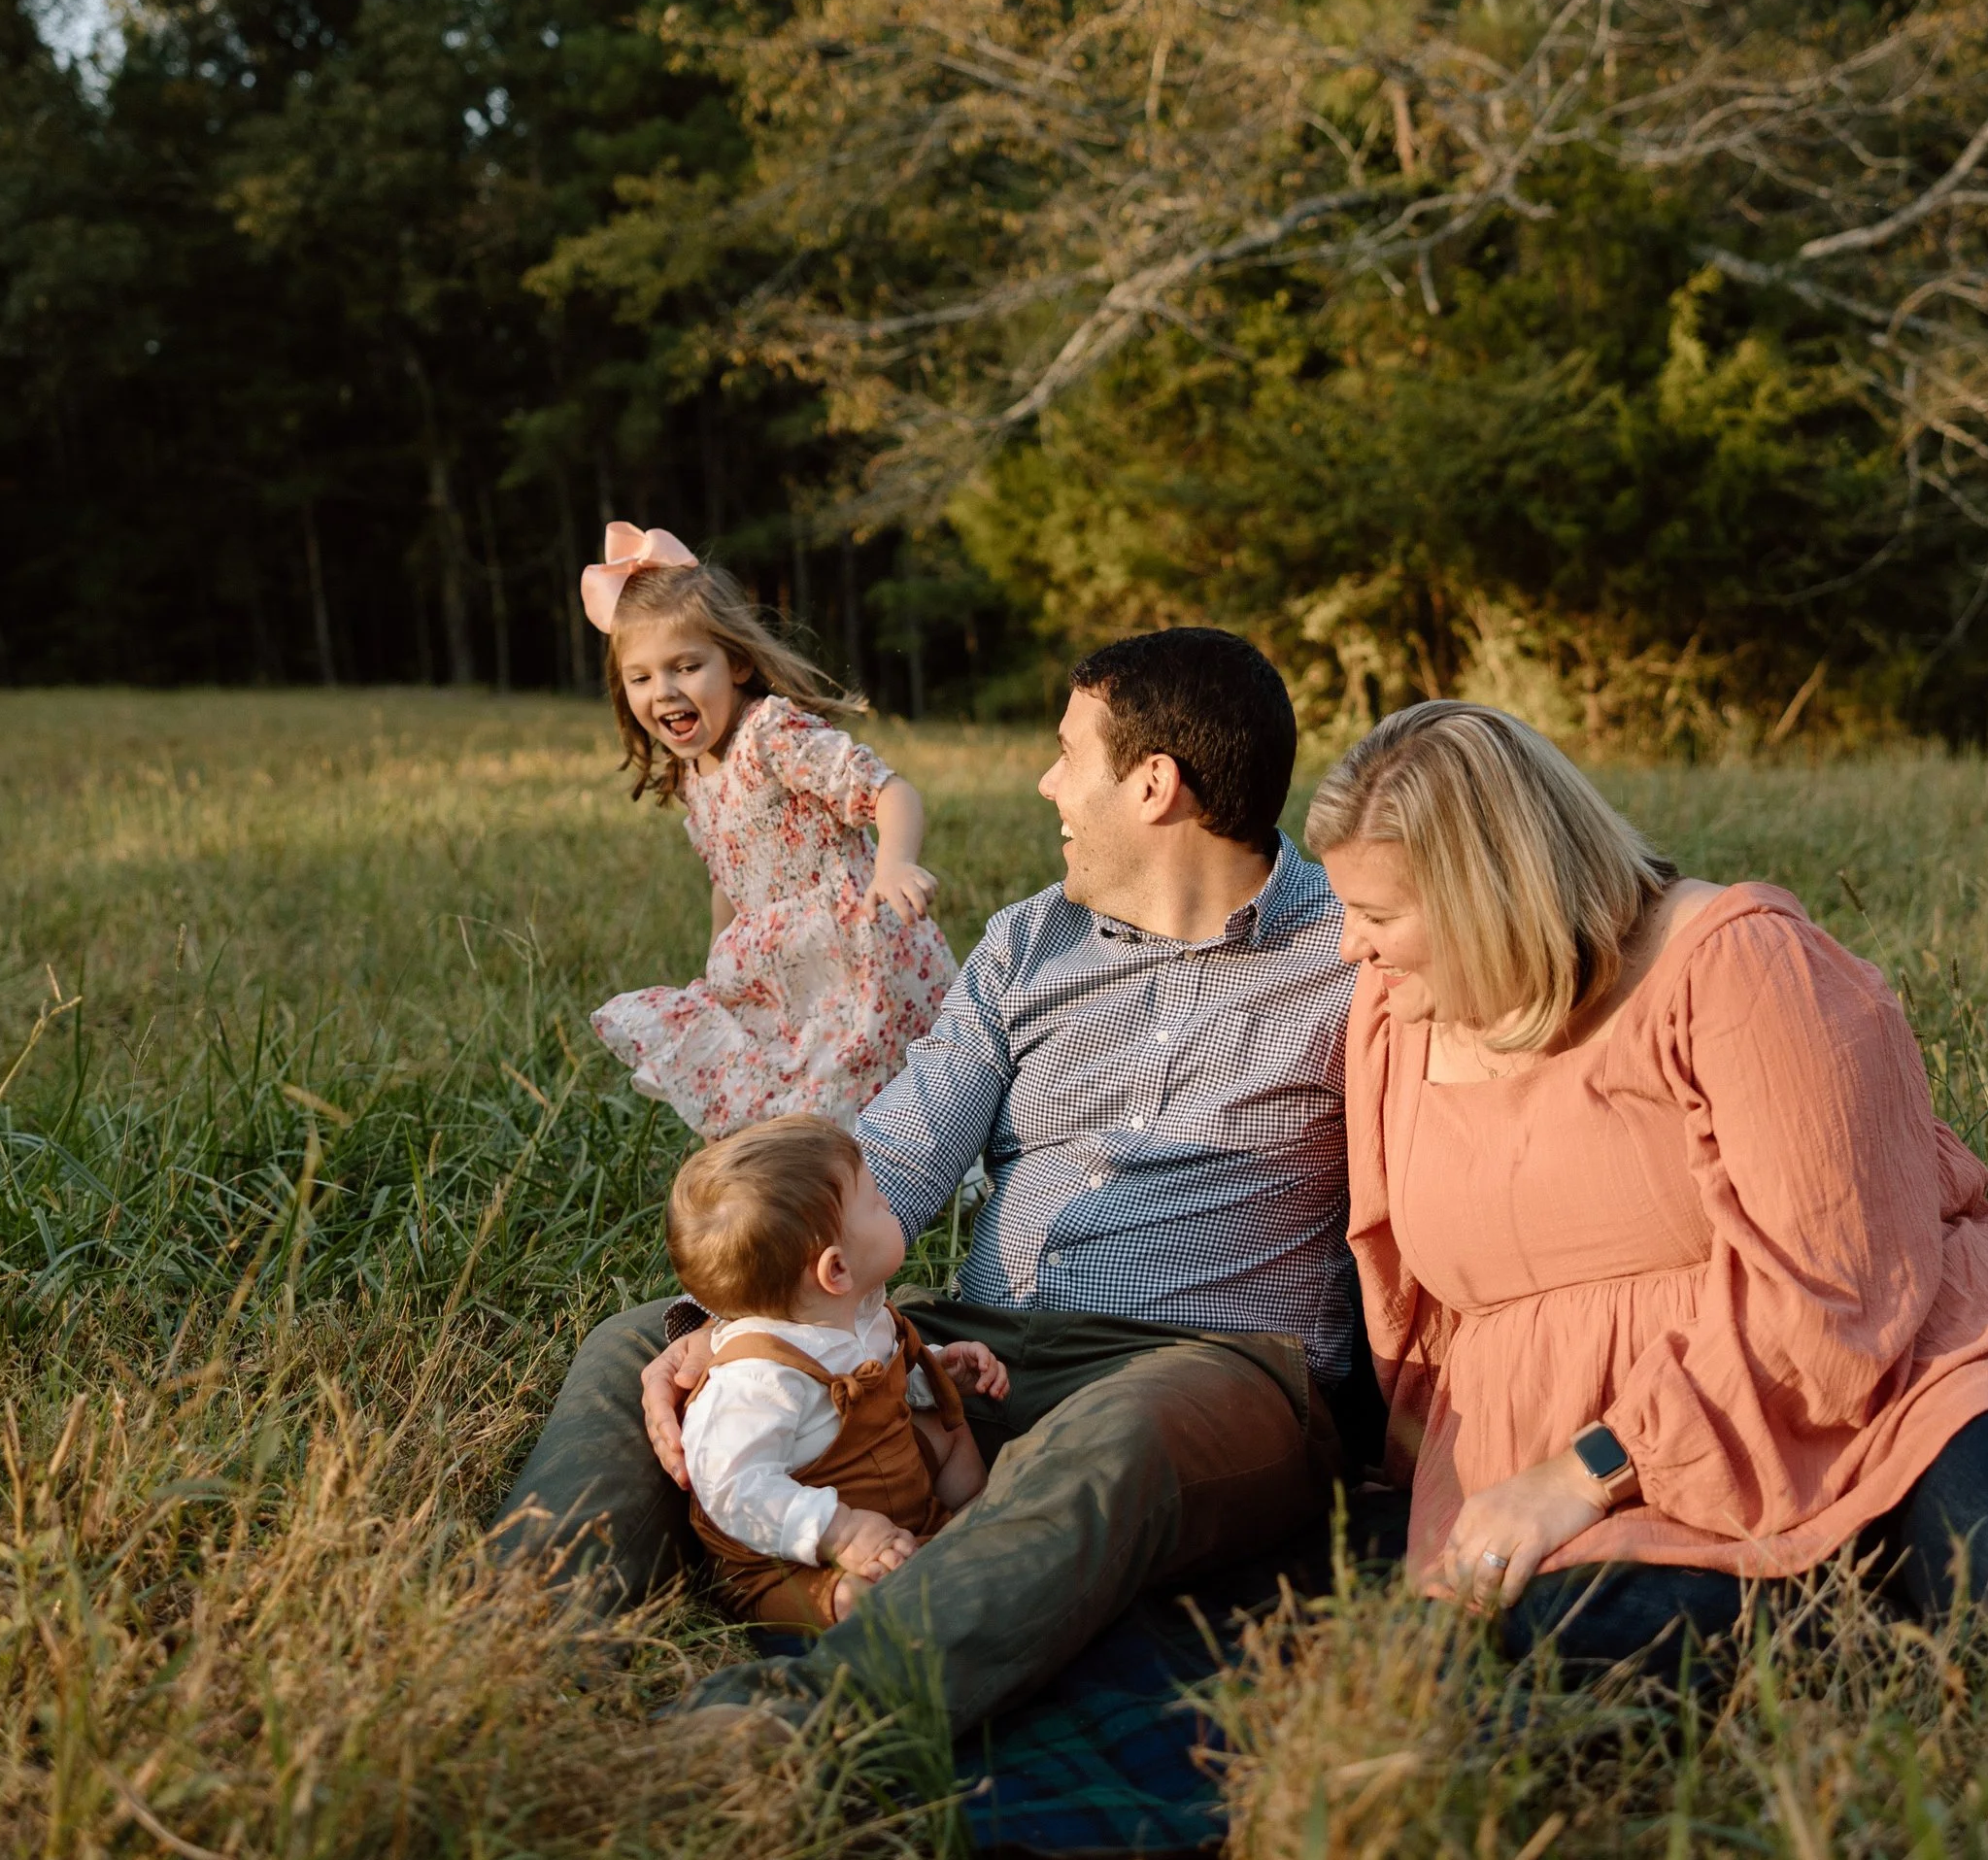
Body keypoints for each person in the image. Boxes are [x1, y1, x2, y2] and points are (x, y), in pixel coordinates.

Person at [1307, 699, 1988, 1662]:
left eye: (1374, 912)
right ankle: (1850, 1598)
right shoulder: (1393, 1014)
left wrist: (1588, 1470)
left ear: (1491, 899)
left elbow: (1833, 1286)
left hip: (1862, 1374)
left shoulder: (1737, 964)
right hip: (1565, 1445)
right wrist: (1438, 1470)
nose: (1348, 943)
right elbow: (1409, 1290)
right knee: (1586, 1639)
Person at [492, 626, 1353, 1738]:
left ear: (1152, 785)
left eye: (1065, 752)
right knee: (641, 1343)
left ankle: (797, 1723)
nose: (1045, 783)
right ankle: (516, 1643)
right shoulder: (1025, 946)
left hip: (1204, 1372)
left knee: (1125, 1431)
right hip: (973, 1364)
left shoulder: (1352, 952)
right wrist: (745, 1321)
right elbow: (891, 1159)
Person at [581, 523, 953, 1137]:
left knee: (871, 1092)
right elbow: (727, 876)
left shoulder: (770, 736)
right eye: (641, 677)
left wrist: (894, 864)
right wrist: (717, 956)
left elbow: (891, 791)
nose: (664, 690)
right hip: (777, 969)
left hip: (855, 953)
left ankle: (926, 1169)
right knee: (788, 1101)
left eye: (686, 666)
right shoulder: (691, 774)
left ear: (739, 663)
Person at [664, 1115, 1011, 1629]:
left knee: (951, 1431)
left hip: (885, 1488)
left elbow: (874, 1376)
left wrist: (933, 1371)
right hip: (789, 1557)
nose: (887, 1201)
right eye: (876, 1200)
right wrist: (839, 1533)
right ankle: (860, 1598)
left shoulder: (861, 1312)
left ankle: (968, 1526)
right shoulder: (757, 1380)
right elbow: (733, 1487)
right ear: (836, 1270)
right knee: (855, 1598)